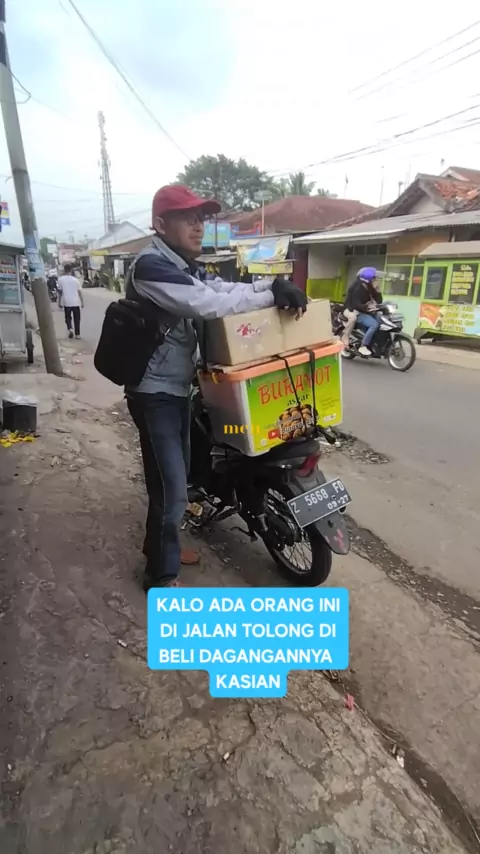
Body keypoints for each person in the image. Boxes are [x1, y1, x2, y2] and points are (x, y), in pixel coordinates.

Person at [125, 183, 307, 591]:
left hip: (179, 388)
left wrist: (271, 287)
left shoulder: (184, 265)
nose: (198, 227)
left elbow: (222, 289)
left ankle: (162, 548)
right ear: (161, 225)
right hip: (154, 394)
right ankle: (161, 575)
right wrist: (267, 296)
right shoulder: (151, 266)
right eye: (187, 219)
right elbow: (207, 304)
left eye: (201, 219)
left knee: (184, 477)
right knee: (171, 488)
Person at [343, 267, 382, 356]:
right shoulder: (357, 288)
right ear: (368, 280)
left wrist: (378, 291)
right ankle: (363, 346)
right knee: (374, 325)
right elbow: (356, 304)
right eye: (374, 279)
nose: (375, 280)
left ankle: (375, 343)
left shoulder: (370, 288)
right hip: (357, 312)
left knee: (380, 320)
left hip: (366, 311)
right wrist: (368, 307)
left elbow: (379, 301)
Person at [57, 264, 84, 339]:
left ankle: (70, 329)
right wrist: (82, 302)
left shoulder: (61, 280)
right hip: (76, 302)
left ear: (64, 270)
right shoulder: (75, 280)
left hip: (67, 302)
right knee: (77, 319)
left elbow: (60, 292)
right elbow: (79, 292)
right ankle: (78, 334)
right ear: (71, 270)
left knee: (68, 317)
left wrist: (59, 302)